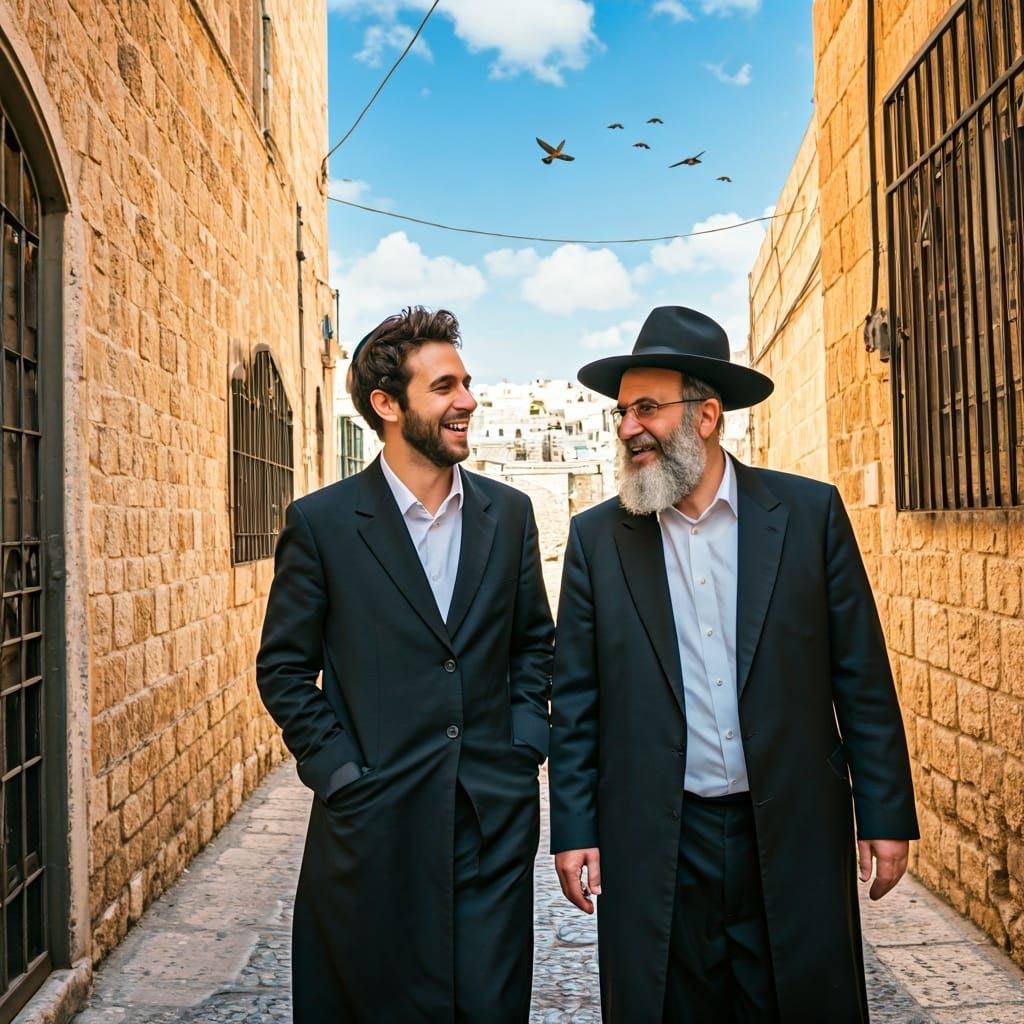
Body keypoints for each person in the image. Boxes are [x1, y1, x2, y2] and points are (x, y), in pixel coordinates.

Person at [548, 306, 918, 1023]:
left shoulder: (808, 516)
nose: (629, 427)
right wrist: (574, 828)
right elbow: (578, 701)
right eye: (623, 411)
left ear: (708, 414)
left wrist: (885, 811)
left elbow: (860, 675)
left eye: (647, 408)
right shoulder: (598, 541)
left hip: (790, 829)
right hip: (658, 837)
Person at [257, 306, 554, 1023]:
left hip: (489, 824)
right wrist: (341, 776)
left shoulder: (508, 515)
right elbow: (285, 669)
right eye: (445, 387)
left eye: (468, 383)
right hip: (371, 830)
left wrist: (523, 747)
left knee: (488, 1006)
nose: (468, 402)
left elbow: (534, 644)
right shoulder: (322, 524)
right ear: (388, 406)